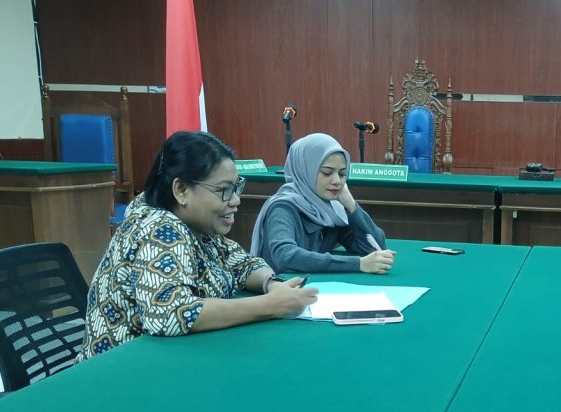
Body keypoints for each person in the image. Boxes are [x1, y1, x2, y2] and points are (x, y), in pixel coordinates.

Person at [78, 131, 317, 360]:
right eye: (224, 190)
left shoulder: (196, 224)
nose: (236, 200)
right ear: (181, 190)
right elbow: (170, 313)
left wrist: (272, 285)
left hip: (170, 357)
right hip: (123, 369)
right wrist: (271, 305)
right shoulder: (159, 228)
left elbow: (241, 264)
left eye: (236, 188)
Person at [250, 133, 395, 275]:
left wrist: (351, 205)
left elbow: (375, 248)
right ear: (307, 171)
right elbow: (286, 257)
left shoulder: (332, 210)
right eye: (327, 173)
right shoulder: (283, 207)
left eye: (342, 174)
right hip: (281, 287)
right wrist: (358, 264)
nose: (337, 181)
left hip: (313, 286)